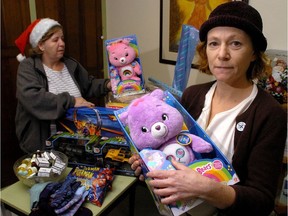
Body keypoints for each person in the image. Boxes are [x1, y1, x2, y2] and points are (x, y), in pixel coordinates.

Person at [129, 2, 287, 216]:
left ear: (253, 53)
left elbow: (262, 201)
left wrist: (205, 188)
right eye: (214, 44)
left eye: (236, 44)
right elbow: (172, 145)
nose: (222, 54)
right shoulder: (192, 95)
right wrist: (150, 162)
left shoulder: (269, 113)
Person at [14, 18, 111, 153]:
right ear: (41, 45)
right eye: (55, 40)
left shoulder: (71, 64)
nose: (62, 44)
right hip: (44, 145)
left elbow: (88, 85)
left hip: (76, 143)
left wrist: (108, 84)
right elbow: (33, 98)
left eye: (62, 39)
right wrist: (71, 101)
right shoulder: (28, 67)